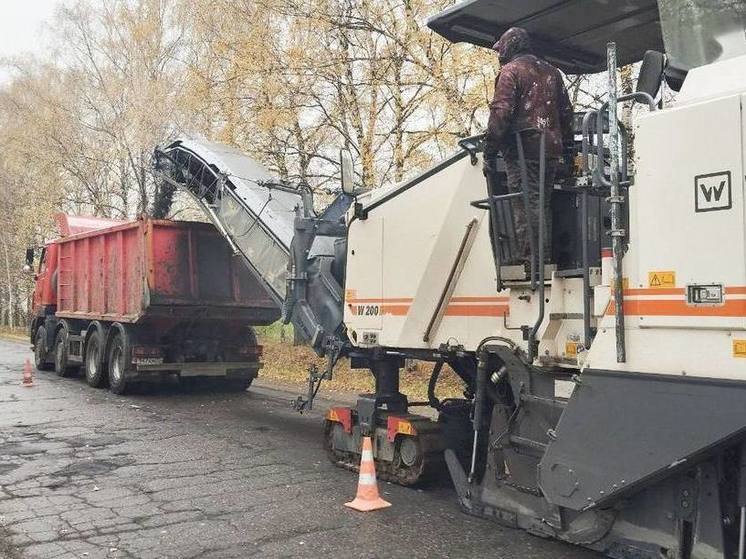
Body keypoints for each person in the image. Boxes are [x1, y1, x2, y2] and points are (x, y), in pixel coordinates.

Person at [483, 27, 574, 268]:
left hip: (523, 148)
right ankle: (541, 257)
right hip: (551, 148)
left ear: (509, 47)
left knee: (525, 202)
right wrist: (568, 151)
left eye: (499, 48)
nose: (498, 53)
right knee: (541, 202)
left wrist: (489, 150)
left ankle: (532, 259)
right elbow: (566, 115)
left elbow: (501, 113)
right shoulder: (553, 73)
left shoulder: (510, 71)